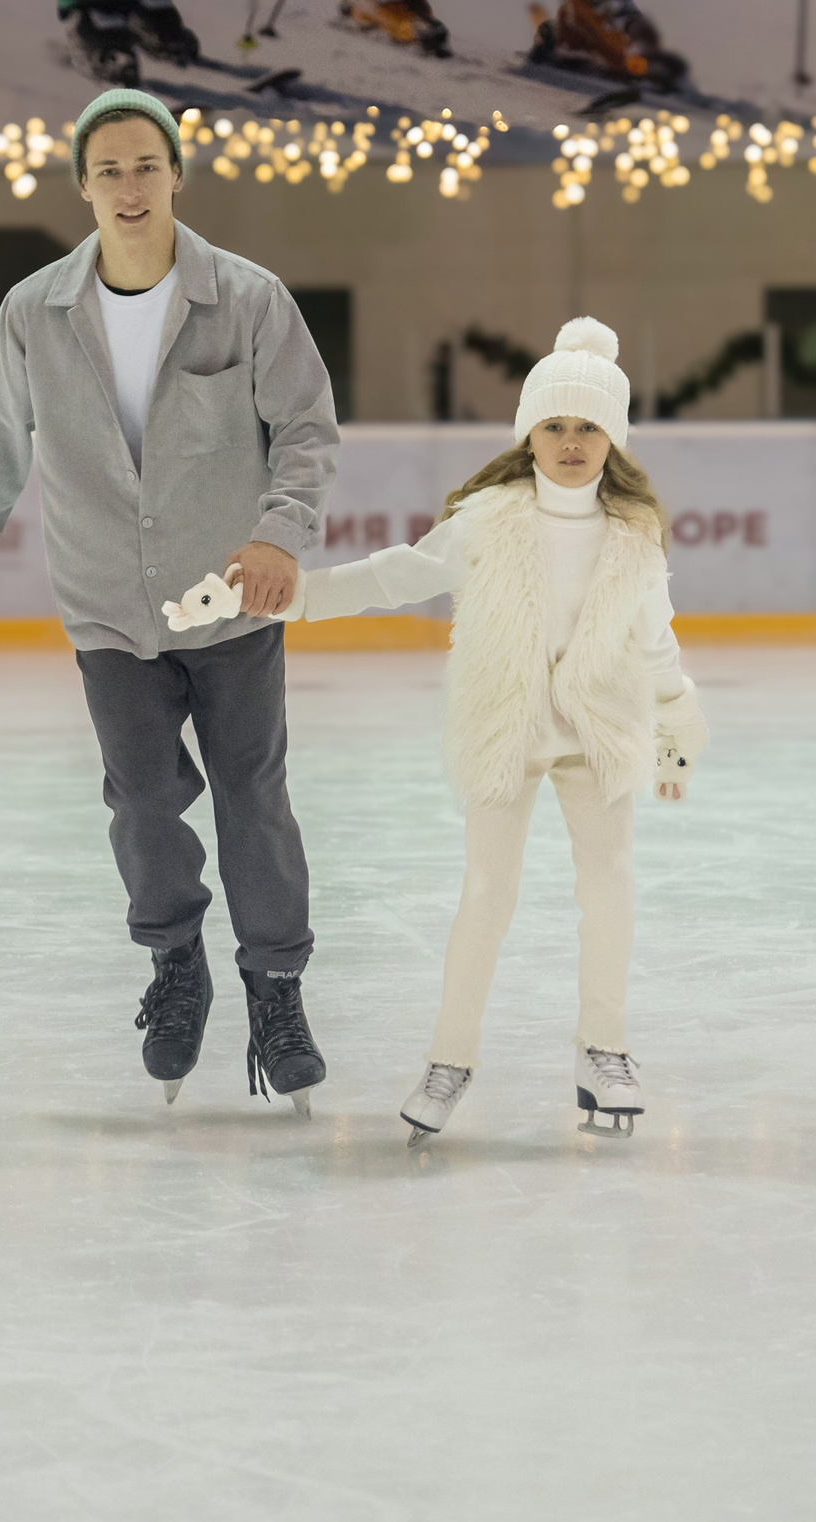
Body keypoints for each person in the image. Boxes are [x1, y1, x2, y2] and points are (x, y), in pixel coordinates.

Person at [185, 317, 707, 1144]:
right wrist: (295, 596)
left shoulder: (633, 535)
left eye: (589, 427)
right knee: (486, 897)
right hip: (508, 728)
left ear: (614, 438)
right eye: (554, 425)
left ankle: (603, 1049)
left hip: (599, 731)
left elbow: (656, 636)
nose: (570, 442)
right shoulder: (489, 520)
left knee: (610, 886)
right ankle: (450, 1059)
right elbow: (397, 574)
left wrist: (676, 728)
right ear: (529, 432)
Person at [0, 89, 340, 1114]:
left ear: (175, 175)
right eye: (108, 169)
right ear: (83, 184)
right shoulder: (35, 312)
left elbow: (304, 430)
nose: (127, 186)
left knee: (255, 797)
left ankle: (276, 987)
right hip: (110, 607)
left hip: (232, 603)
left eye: (144, 167)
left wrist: (280, 534)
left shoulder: (246, 299)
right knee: (143, 797)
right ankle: (175, 962)